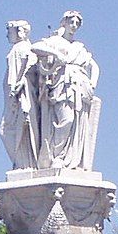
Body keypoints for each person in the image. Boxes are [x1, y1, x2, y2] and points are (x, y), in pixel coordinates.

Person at [30, 11, 100, 170]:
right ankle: (56, 156)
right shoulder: (55, 41)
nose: (74, 26)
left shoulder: (79, 47)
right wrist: (55, 53)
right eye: (72, 22)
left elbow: (94, 66)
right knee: (66, 120)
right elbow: (35, 47)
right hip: (62, 84)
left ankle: (71, 159)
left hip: (80, 87)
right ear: (64, 22)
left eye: (77, 23)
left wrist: (92, 84)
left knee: (77, 124)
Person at [0, 20, 40, 169]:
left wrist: (20, 83)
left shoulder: (23, 48)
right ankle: (22, 163)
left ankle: (25, 163)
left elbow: (31, 64)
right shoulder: (18, 49)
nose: (7, 35)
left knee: (13, 127)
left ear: (19, 32)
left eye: (10, 32)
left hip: (20, 94)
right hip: (12, 95)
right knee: (8, 129)